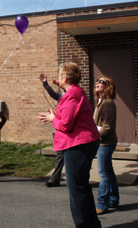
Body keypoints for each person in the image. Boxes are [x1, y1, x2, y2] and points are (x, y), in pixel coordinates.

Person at [39, 62, 101, 228]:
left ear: (65, 78)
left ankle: (84, 225)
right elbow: (67, 116)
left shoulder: (72, 94)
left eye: (59, 76)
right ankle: (92, 224)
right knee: (82, 186)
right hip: (81, 143)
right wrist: (55, 115)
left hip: (78, 145)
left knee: (76, 189)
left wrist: (53, 119)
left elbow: (66, 125)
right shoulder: (73, 93)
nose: (58, 78)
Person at [93, 76, 119, 215]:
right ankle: (113, 200)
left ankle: (102, 204)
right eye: (97, 80)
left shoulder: (108, 103)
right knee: (108, 172)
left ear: (108, 86)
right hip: (103, 142)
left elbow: (108, 126)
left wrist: (96, 137)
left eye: (101, 81)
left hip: (105, 143)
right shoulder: (100, 101)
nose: (97, 83)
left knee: (103, 174)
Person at [39, 73, 65, 188]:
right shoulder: (60, 96)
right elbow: (52, 94)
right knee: (60, 156)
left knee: (67, 158)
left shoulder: (73, 96)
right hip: (60, 130)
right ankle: (54, 180)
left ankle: (77, 180)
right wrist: (45, 84)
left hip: (67, 131)